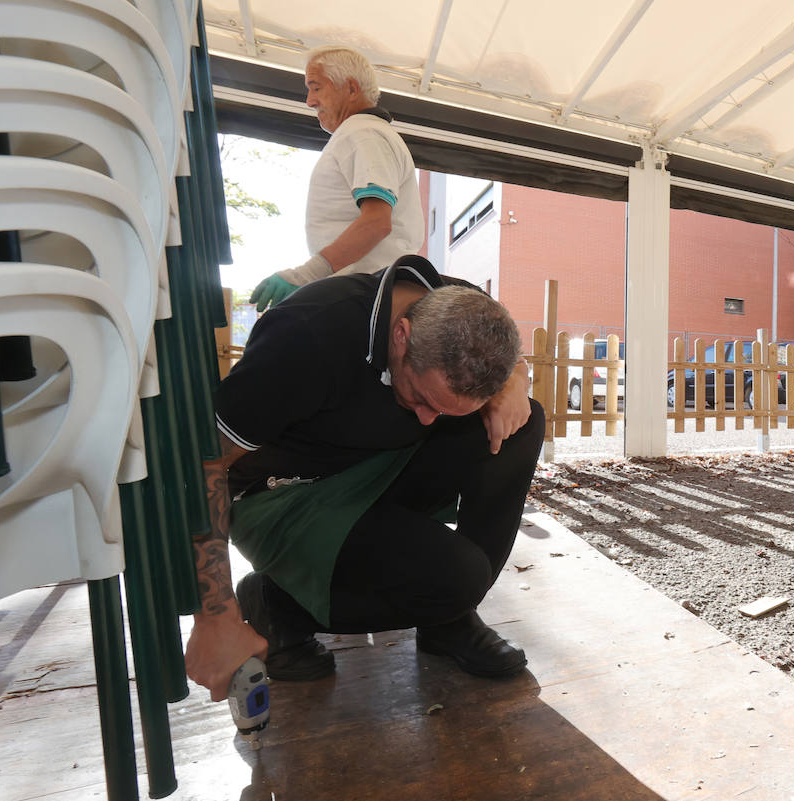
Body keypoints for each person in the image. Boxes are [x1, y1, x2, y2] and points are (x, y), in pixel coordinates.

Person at [185, 254, 545, 701]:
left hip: (374, 466)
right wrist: (214, 615)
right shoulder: (306, 335)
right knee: (457, 575)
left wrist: (514, 380)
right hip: (283, 495)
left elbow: (510, 364)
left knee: (521, 423)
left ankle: (449, 621)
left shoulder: (463, 306)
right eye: (420, 396)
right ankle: (278, 607)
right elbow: (205, 466)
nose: (429, 419)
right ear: (401, 335)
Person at [249, 46, 424, 312]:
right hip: (368, 291)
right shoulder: (364, 134)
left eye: (316, 87)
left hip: (366, 294)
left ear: (352, 89)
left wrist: (306, 275)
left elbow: (377, 222)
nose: (309, 101)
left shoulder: (363, 134)